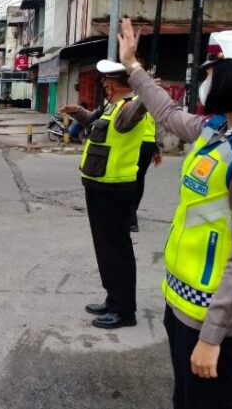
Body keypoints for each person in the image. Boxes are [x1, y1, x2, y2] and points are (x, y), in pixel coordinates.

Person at [118, 17, 232, 409]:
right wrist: (133, 66)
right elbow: (167, 113)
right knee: (186, 399)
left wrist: (212, 337)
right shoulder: (218, 129)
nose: (205, 79)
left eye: (212, 71)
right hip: (184, 303)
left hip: (215, 319)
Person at [58, 59, 150, 329]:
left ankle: (124, 311)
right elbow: (94, 123)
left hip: (114, 188)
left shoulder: (128, 108)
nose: (102, 87)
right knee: (105, 249)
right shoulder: (111, 106)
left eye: (104, 83)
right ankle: (113, 300)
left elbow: (138, 110)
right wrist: (76, 111)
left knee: (116, 250)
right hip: (99, 185)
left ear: (111, 85)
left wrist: (144, 87)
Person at [130, 109, 161, 232]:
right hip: (149, 144)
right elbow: (157, 128)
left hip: (137, 143)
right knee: (140, 178)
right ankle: (133, 210)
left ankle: (132, 220)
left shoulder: (132, 103)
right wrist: (157, 150)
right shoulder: (152, 104)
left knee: (131, 179)